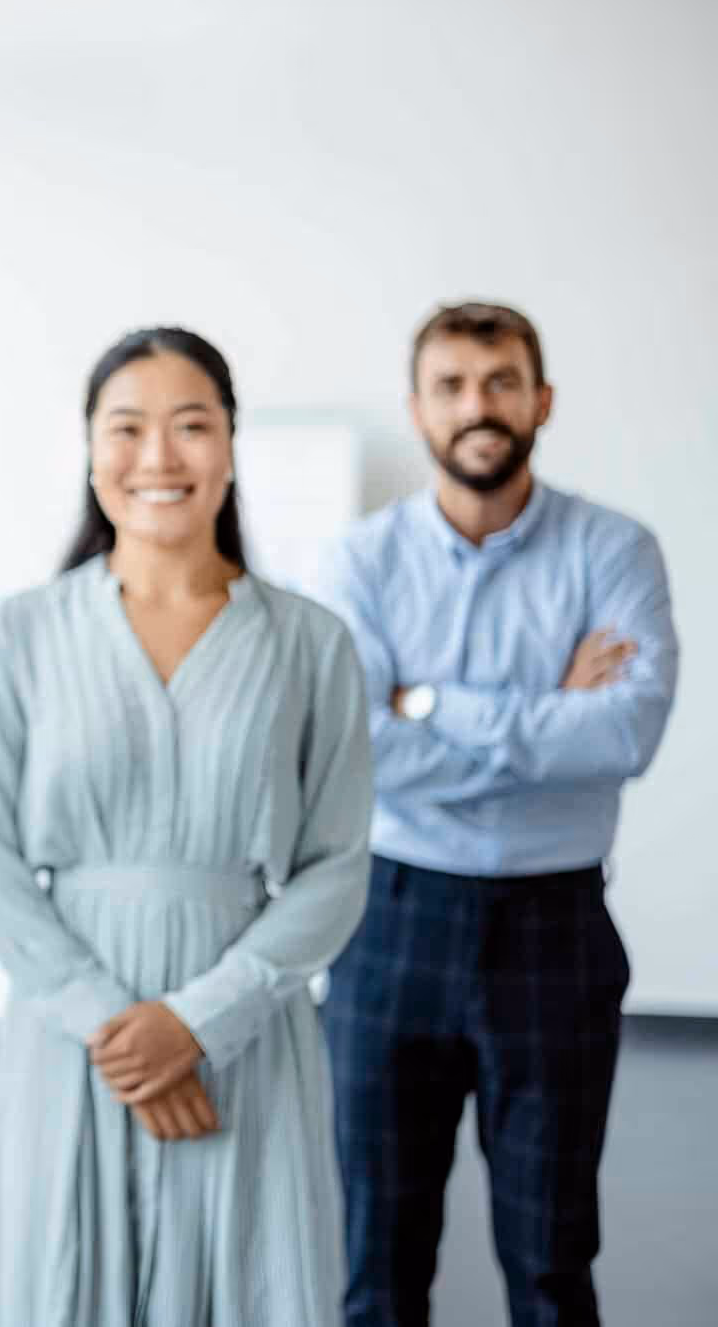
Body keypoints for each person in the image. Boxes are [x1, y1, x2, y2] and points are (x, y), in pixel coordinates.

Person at [0, 328, 374, 1325]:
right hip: (69, 1042)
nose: (157, 456)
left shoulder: (309, 643)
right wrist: (115, 1028)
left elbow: (334, 866)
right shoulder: (23, 632)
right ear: (89, 449)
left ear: (229, 447)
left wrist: (198, 1023)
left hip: (246, 1041)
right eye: (125, 427)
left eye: (190, 426)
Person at [313, 302, 678, 1327]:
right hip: (389, 924)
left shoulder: (614, 551)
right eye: (452, 385)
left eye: (500, 381)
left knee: (552, 1258)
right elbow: (357, 749)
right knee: (376, 1264)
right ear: (417, 410)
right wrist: (549, 715)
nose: (477, 405)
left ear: (539, 400)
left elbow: (625, 735)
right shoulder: (357, 563)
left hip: (551, 929)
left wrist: (424, 702)